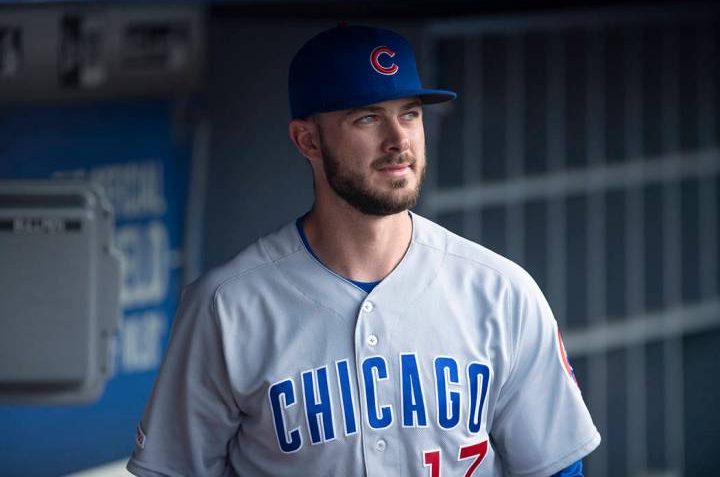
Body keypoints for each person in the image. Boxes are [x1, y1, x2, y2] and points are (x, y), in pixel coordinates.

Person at [127, 24, 600, 477]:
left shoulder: (501, 291)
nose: (399, 141)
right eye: (368, 117)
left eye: (410, 113)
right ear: (307, 139)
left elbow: (557, 466)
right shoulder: (226, 306)